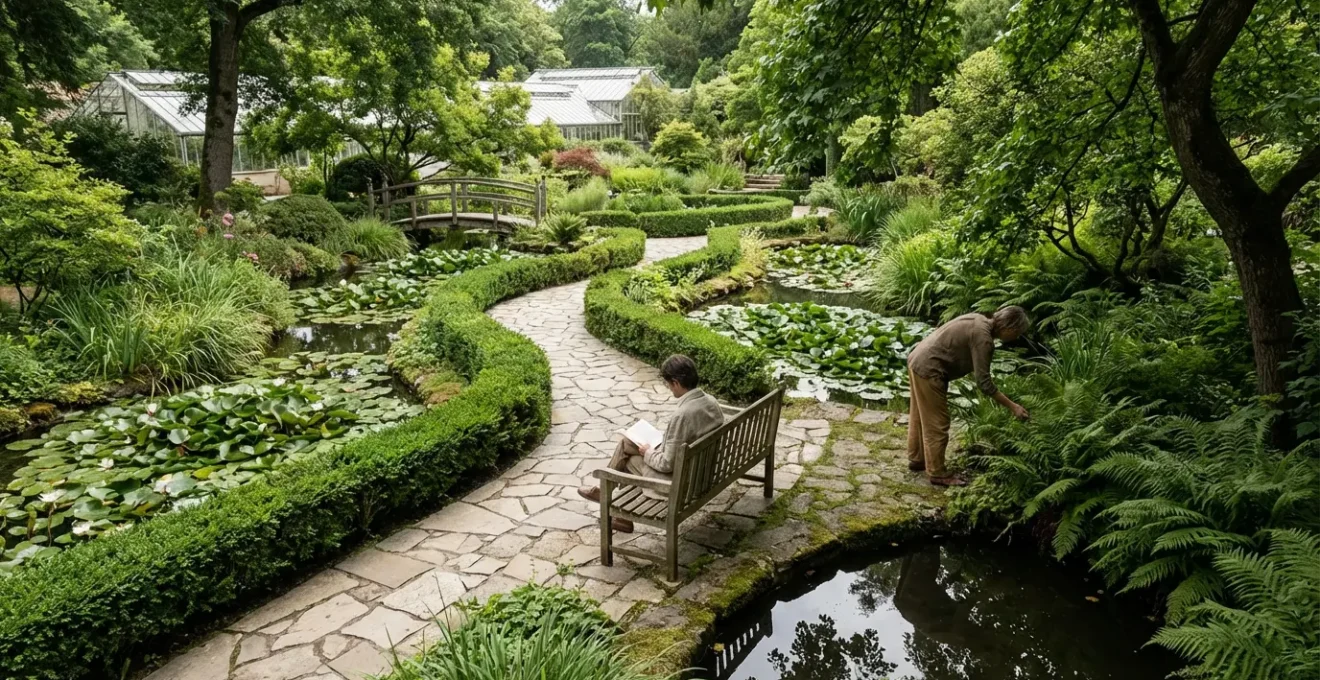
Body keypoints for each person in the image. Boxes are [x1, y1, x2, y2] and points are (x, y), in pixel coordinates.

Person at [579, 354, 724, 532]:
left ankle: (618, 512)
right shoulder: (711, 402)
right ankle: (609, 498)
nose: (670, 389)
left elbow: (666, 464)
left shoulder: (683, 415)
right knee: (626, 443)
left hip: (681, 484)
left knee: (630, 462)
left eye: (668, 384)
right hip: (701, 472)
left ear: (676, 382)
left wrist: (648, 452)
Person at [906, 306, 1031, 486]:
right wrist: (1013, 406)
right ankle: (938, 473)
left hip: (917, 358)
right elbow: (984, 383)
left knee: (919, 416)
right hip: (930, 369)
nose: (1017, 337)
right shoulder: (984, 340)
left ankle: (917, 459)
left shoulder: (978, 319)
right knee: (937, 423)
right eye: (1018, 332)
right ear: (1009, 328)